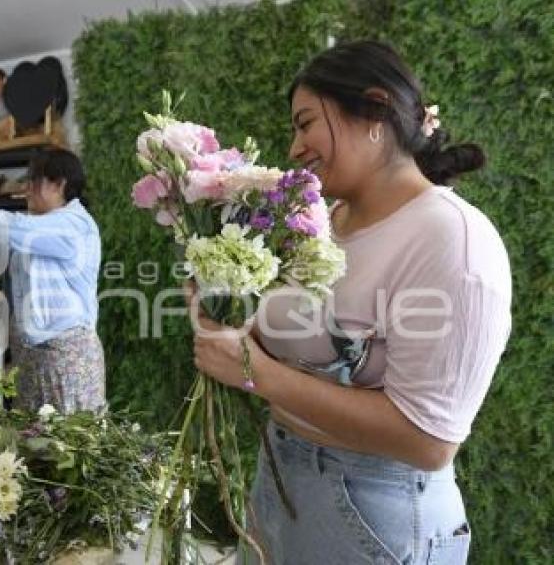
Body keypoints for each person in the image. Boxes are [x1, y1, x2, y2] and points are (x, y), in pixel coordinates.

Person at [189, 40, 511, 564]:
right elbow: (296, 343)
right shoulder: (322, 222)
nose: (294, 147)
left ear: (375, 111)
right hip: (281, 477)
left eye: (306, 122)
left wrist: (255, 374)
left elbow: (428, 441)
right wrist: (226, 317)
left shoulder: (451, 240)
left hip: (372, 508)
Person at [0, 148, 105, 415]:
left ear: (59, 184)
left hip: (65, 356)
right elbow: (1, 254)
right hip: (31, 356)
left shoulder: (74, 225)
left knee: (69, 444)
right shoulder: (37, 226)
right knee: (31, 445)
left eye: (33, 181)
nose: (26, 189)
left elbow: (17, 230)